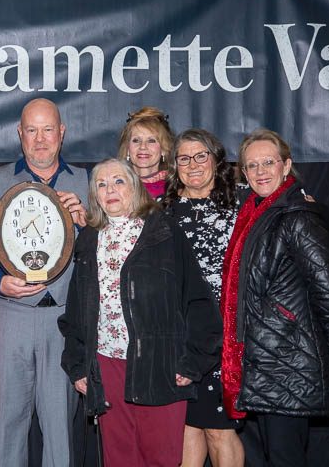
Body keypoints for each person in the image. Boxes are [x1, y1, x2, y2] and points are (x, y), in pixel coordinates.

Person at [59, 158, 222, 466]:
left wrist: (193, 361)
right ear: (94, 195)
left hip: (159, 364)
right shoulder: (89, 239)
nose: (110, 190)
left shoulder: (164, 232)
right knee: (119, 457)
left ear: (134, 187)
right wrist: (78, 365)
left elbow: (198, 301)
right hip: (107, 365)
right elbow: (77, 310)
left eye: (118, 181)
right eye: (102, 185)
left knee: (160, 456)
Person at [221, 128, 329, 467]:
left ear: (286, 165)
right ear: (244, 174)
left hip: (289, 363)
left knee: (285, 459)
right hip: (263, 361)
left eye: (269, 162)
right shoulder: (254, 214)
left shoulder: (297, 218)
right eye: (252, 165)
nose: (261, 171)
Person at [0, 98, 87, 467]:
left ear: (62, 133)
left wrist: (86, 226)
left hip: (65, 318)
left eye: (48, 129)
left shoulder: (87, 182)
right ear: (20, 135)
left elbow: (106, 255)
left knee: (60, 430)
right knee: (9, 424)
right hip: (12, 313)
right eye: (32, 130)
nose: (40, 140)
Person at [161, 129, 245, 467]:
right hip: (182, 339)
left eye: (201, 156)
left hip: (226, 337)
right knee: (187, 425)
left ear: (216, 159)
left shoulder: (242, 200)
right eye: (184, 158)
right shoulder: (163, 211)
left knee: (220, 431)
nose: (193, 164)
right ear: (174, 166)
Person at [117, 106, 174, 198]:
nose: (143, 147)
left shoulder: (176, 187)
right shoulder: (114, 187)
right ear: (127, 147)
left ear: (163, 149)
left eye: (151, 140)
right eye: (136, 140)